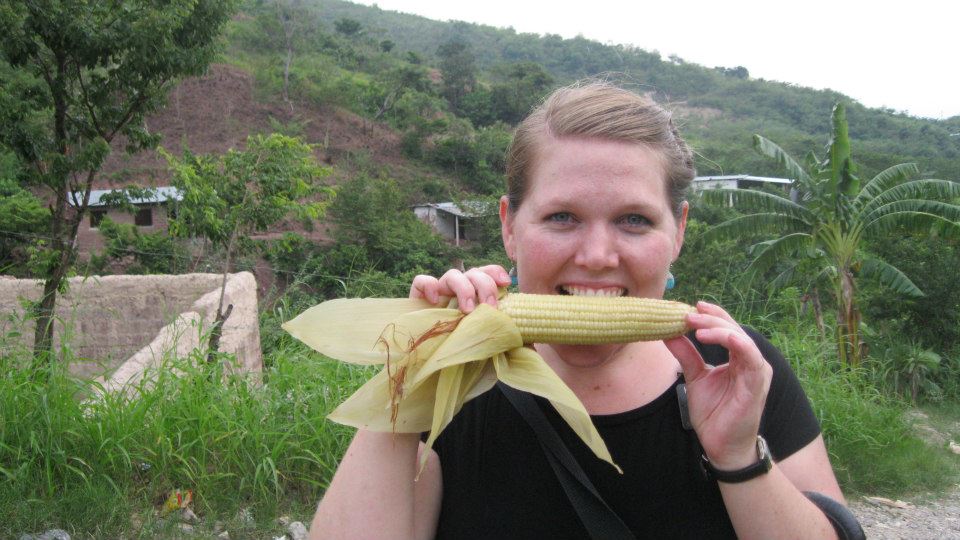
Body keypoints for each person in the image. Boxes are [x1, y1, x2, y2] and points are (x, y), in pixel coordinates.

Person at [310, 82, 852, 539]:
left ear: (678, 231)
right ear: (509, 226)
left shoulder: (737, 369)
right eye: (563, 217)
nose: (596, 256)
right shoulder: (453, 383)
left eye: (634, 220)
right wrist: (413, 367)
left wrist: (739, 458)